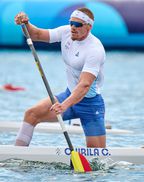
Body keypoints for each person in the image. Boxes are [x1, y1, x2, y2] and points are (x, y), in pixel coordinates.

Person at [14, 7, 106, 148]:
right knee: (31, 114)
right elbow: (36, 34)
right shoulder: (66, 32)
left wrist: (64, 106)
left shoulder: (95, 50)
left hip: (90, 105)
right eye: (71, 23)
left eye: (78, 25)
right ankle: (16, 155)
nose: (72, 28)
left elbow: (84, 85)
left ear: (89, 27)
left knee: (97, 158)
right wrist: (25, 23)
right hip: (68, 95)